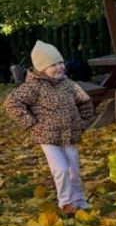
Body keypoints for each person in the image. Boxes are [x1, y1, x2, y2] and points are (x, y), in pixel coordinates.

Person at [3, 40, 93, 215]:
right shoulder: (33, 87)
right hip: (47, 137)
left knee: (73, 171)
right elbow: (12, 103)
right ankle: (66, 203)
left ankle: (79, 200)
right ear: (41, 68)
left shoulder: (68, 84)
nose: (59, 67)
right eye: (53, 65)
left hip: (70, 134)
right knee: (61, 170)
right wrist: (30, 123)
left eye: (60, 62)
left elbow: (85, 101)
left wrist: (83, 122)